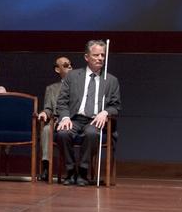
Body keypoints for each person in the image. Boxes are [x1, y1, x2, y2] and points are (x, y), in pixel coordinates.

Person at [55, 40, 121, 186]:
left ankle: (83, 172)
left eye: (102, 55)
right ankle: (71, 170)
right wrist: (65, 117)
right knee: (62, 133)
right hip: (74, 118)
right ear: (86, 57)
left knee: (92, 133)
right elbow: (62, 101)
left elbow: (116, 106)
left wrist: (105, 112)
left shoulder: (111, 80)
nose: (100, 58)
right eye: (96, 55)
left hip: (95, 120)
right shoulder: (72, 76)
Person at [36, 56, 74, 182]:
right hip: (56, 121)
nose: (69, 67)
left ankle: (75, 170)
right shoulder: (51, 89)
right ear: (57, 70)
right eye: (65, 65)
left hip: (74, 121)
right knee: (46, 130)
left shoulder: (79, 87)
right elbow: (48, 108)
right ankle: (46, 167)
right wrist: (44, 113)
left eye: (70, 65)